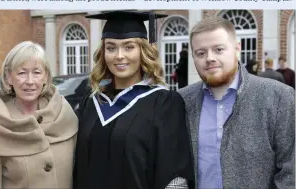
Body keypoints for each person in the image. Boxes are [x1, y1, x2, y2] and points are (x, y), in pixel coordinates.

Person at [74, 10, 195, 189]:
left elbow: (175, 173)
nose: (119, 55)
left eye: (129, 47)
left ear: (142, 51)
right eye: (111, 47)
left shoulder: (163, 103)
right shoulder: (91, 102)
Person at [178, 17, 295, 189]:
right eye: (201, 53)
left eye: (218, 49)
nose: (209, 58)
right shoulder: (182, 101)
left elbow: (291, 172)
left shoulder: (278, 97)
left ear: (237, 48)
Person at [0, 41, 78, 188]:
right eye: (22, 73)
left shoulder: (64, 115)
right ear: (9, 77)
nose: (30, 81)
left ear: (45, 77)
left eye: (36, 72)